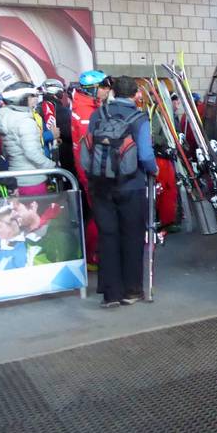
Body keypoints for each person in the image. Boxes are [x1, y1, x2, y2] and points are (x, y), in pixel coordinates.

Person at [86, 75, 157, 308]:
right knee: (132, 236)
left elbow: (87, 145)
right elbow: (145, 154)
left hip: (100, 184)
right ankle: (131, 291)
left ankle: (110, 294)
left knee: (108, 236)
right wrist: (153, 169)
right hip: (131, 185)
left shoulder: (98, 114)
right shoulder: (139, 118)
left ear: (113, 92)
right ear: (135, 94)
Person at [72, 70, 112, 267]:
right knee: (99, 214)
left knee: (98, 213)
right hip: (92, 172)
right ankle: (92, 255)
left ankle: (93, 253)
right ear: (92, 89)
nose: (107, 90)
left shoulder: (86, 105)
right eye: (103, 87)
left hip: (90, 169)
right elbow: (94, 143)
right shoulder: (86, 112)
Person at [0, 82, 55, 196]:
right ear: (21, 99)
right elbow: (32, 153)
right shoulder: (25, 122)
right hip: (32, 179)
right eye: (33, 96)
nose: (36, 99)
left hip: (16, 176)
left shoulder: (6, 118)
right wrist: (52, 167)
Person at [10, 196, 79, 265]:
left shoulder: (59, 233)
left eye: (16, 209)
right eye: (10, 212)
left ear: (33, 206)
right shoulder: (20, 242)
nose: (13, 214)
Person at [39, 78, 73, 172]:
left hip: (43, 156)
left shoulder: (36, 109)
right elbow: (70, 134)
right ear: (57, 93)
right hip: (64, 156)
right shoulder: (64, 112)